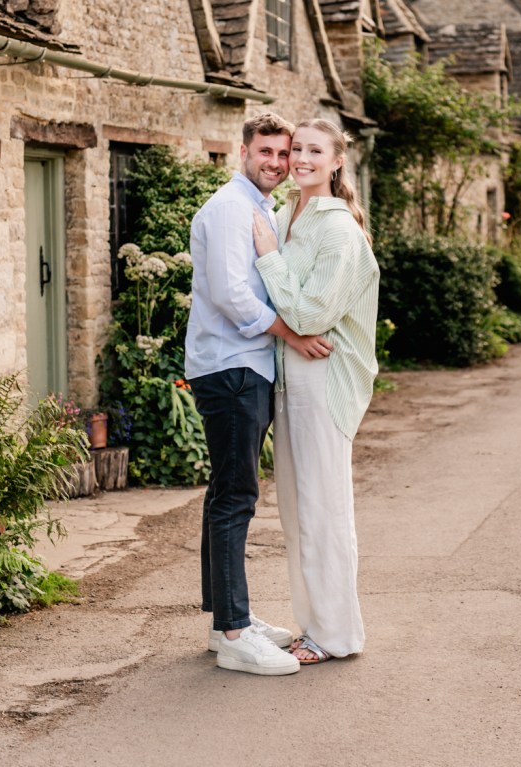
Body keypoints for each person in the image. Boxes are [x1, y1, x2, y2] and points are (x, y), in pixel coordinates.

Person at [185, 111, 333, 677]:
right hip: (230, 369)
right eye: (266, 152)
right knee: (236, 497)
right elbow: (231, 296)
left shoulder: (257, 207)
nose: (276, 162)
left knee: (226, 490)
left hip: (241, 368)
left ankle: (228, 615)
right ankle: (233, 633)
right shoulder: (230, 208)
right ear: (243, 151)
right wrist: (292, 333)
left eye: (283, 153)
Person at [252, 118, 379, 664]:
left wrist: (267, 256)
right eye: (295, 148)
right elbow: (288, 318)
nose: (299, 158)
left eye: (312, 150)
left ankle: (337, 635)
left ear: (336, 162)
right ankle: (314, 626)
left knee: (325, 509)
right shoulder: (286, 214)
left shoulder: (338, 230)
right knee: (298, 510)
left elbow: (309, 313)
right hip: (291, 372)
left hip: (326, 378)